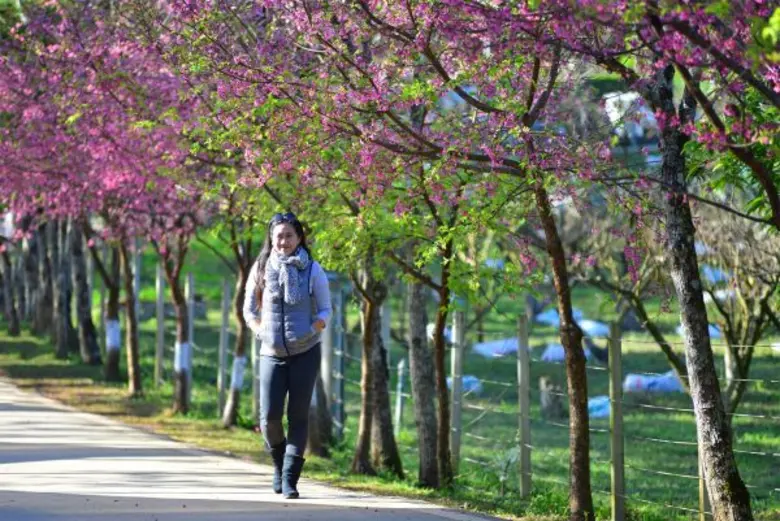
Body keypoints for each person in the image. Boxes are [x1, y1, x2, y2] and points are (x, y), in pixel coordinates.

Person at [243, 212, 331, 499]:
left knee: (298, 416)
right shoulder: (260, 268)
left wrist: (311, 330)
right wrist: (261, 332)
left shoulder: (313, 269)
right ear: (271, 238)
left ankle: (290, 480)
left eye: (289, 235)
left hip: (306, 352)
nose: (283, 241)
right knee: (269, 417)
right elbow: (249, 311)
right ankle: (279, 465)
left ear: (299, 238)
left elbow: (325, 310)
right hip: (271, 353)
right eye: (278, 235)